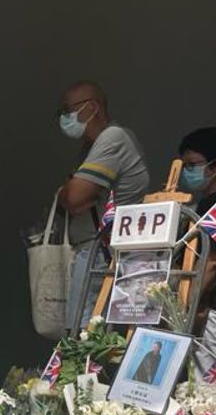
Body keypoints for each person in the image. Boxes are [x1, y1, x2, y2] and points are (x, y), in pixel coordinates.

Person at [55, 80, 150, 331]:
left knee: (84, 339)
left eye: (68, 109)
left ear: (92, 107)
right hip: (96, 253)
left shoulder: (113, 138)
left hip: (103, 255)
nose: (64, 117)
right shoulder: (91, 147)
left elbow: (73, 199)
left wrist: (66, 191)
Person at [178, 127, 216, 323]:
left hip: (215, 309)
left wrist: (186, 304)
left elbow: (213, 262)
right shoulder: (203, 203)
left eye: (191, 165)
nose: (186, 172)